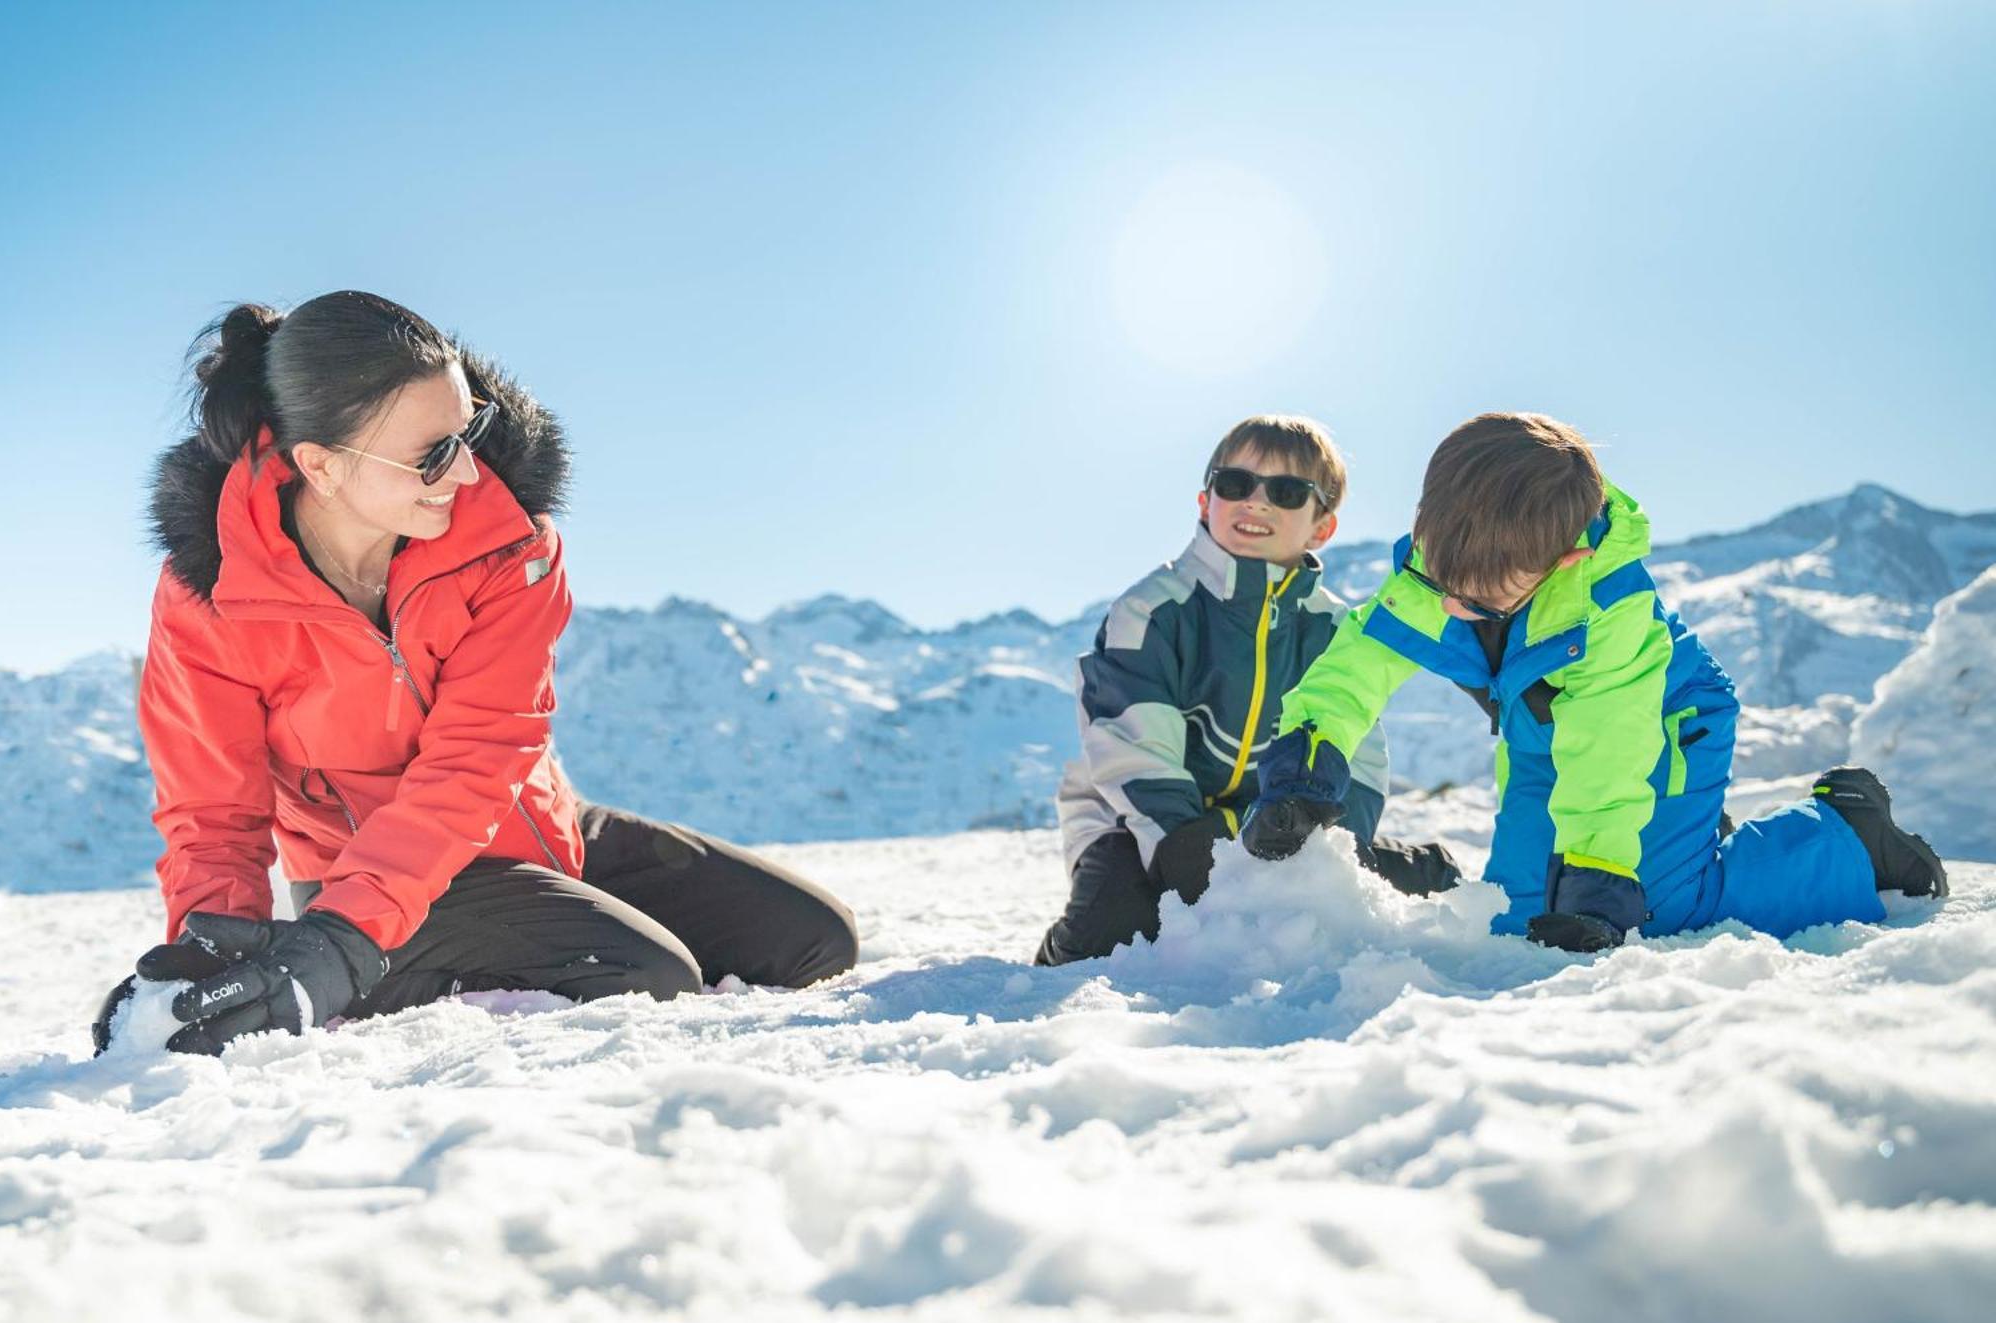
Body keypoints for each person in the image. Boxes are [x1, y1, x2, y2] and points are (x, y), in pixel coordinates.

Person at [94, 292, 858, 1056]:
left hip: (529, 825)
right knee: (644, 974)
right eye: (430, 453)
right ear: (320, 466)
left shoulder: (506, 542)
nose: (465, 472)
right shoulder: (213, 594)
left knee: (814, 941)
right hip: (362, 884)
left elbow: (481, 752)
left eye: (467, 432)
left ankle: (361, 955)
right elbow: (212, 812)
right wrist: (218, 959)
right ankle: (354, 971)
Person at [1241, 411, 1949, 952]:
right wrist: (1308, 757)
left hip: (1663, 723)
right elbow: (1356, 662)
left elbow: (1610, 751)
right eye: (1442, 584)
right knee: (1520, 912)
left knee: (1654, 904)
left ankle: (1849, 837)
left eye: (1481, 600)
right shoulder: (1447, 563)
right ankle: (1677, 833)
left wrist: (1600, 870)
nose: (1452, 606)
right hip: (1541, 729)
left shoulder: (1609, 613)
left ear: (1565, 559)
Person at [1036, 415, 1461, 966]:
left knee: (1346, 911)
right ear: (1204, 500)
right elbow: (1132, 751)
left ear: (1320, 527)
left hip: (1276, 829)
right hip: (1139, 825)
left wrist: (1326, 844)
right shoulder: (1154, 609)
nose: (1256, 502)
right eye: (1236, 484)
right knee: (1114, 930)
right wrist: (1183, 852)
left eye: (1286, 492)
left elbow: (1359, 760)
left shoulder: (1334, 631)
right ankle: (1061, 953)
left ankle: (1423, 868)